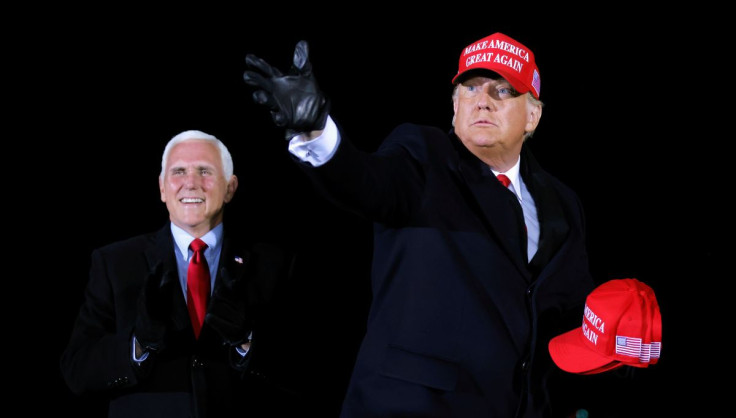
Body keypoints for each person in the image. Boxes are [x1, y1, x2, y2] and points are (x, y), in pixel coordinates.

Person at [243, 33, 597, 417]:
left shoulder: (562, 202)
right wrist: (316, 131)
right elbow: (366, 182)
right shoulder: (423, 156)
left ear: (533, 115)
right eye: (471, 87)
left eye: (503, 91)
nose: (482, 100)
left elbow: (569, 309)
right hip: (413, 407)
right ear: (455, 105)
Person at [60, 130, 296, 418]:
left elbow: (305, 370)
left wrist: (246, 340)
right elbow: (77, 371)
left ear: (230, 187)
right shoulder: (115, 262)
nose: (191, 183)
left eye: (205, 171)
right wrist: (139, 343)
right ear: (162, 187)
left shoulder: (273, 263)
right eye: (179, 171)